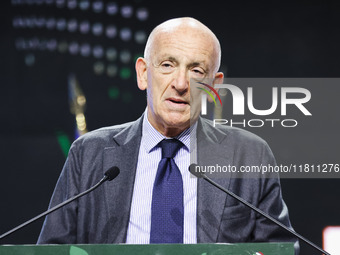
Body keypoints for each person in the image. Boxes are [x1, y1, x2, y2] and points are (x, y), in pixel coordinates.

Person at [37, 17, 299, 252]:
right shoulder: (88, 153)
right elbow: (51, 250)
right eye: (167, 65)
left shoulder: (249, 155)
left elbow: (280, 249)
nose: (181, 83)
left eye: (197, 70)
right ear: (143, 73)